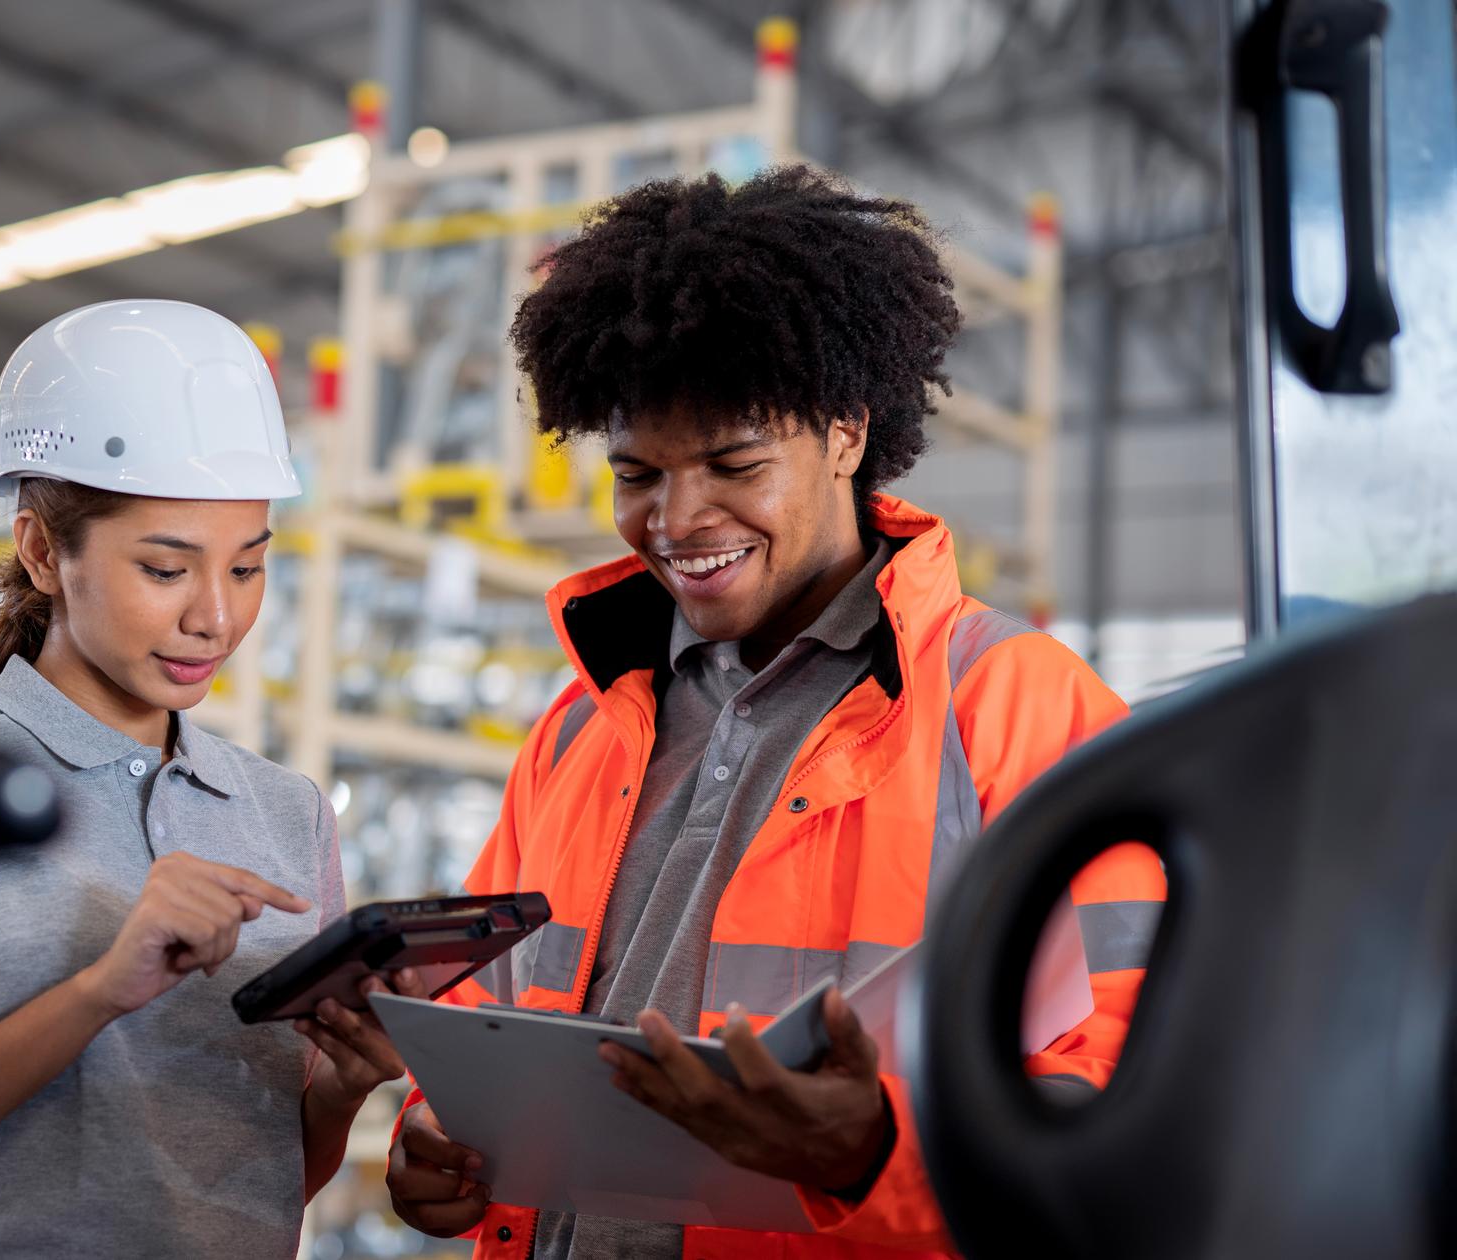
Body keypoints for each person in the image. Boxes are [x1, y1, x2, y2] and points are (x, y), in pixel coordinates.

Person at [382, 168, 1168, 1257]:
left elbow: (1134, 1087)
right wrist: (436, 1136)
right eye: (635, 474)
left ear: (844, 432)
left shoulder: (1016, 705)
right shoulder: (578, 727)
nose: (676, 518)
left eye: (731, 462)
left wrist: (870, 1156)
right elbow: (480, 1019)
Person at [0, 300, 423, 1257]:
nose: (217, 617)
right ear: (44, 551)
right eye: (167, 570)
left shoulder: (284, 813)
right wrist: (98, 990)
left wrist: (337, 1093)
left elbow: (247, 1180)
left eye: (248, 569)